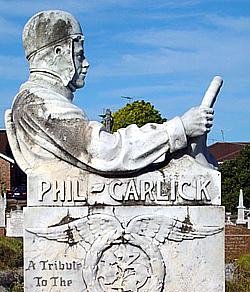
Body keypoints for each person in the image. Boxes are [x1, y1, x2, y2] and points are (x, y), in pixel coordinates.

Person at [6, 10, 214, 174]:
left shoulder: (39, 101)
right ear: (59, 53)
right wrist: (179, 128)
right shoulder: (37, 104)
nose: (86, 64)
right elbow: (104, 152)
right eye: (79, 55)